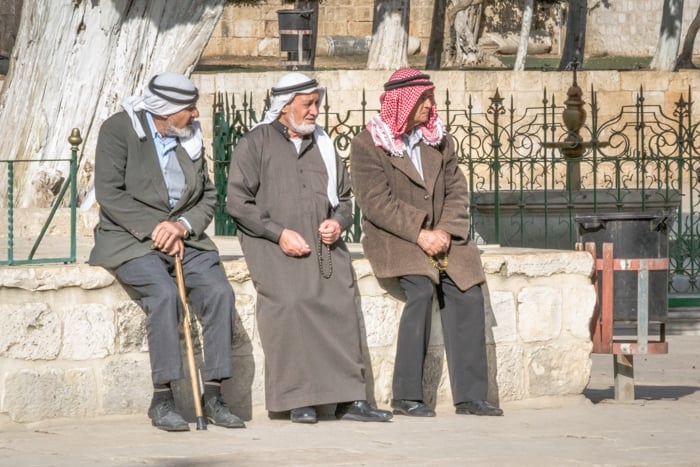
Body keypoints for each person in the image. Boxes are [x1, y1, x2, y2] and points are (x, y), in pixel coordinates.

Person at [226, 72, 392, 424]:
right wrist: (278, 233)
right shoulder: (255, 143)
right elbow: (238, 203)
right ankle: (297, 399)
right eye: (308, 104)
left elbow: (345, 200)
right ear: (285, 107)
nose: (316, 111)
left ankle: (349, 399)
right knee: (290, 302)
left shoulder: (325, 146)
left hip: (321, 245)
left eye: (317, 104)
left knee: (339, 300)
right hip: (269, 242)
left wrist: (338, 223)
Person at [89, 72, 245, 431]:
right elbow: (110, 193)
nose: (195, 115)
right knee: (163, 295)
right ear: (167, 110)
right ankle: (162, 398)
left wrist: (182, 226)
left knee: (219, 292)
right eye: (189, 109)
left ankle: (215, 394)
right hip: (131, 238)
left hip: (184, 238)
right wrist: (157, 228)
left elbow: (207, 195)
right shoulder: (119, 130)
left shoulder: (188, 137)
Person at [349, 68, 503, 417]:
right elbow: (377, 202)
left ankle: (471, 397)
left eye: (430, 98)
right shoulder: (368, 144)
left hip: (442, 236)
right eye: (423, 99)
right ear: (403, 102)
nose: (429, 105)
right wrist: (420, 233)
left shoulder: (440, 141)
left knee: (469, 290)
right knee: (419, 290)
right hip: (398, 237)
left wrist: (446, 230)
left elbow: (456, 190)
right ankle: (406, 395)